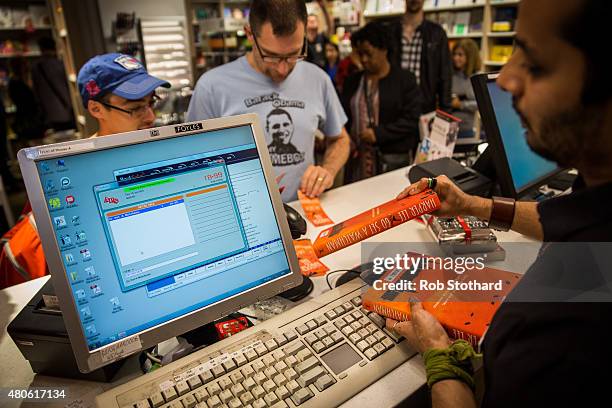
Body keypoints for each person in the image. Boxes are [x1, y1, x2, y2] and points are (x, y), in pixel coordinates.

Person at [389, 0, 612, 406]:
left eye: (537, 63)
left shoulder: (563, 337)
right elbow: (560, 219)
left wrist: (440, 354)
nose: (506, 79)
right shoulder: (597, 194)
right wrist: (474, 205)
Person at [0, 53, 169, 289]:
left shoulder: (166, 152)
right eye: (136, 108)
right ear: (96, 108)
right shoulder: (66, 179)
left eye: (151, 103)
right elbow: (23, 256)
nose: (151, 116)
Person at [187, 0, 350, 202]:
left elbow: (340, 139)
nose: (282, 69)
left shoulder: (318, 79)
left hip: (304, 212)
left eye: (293, 55)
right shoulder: (212, 87)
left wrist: (327, 171)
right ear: (249, 34)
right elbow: (191, 161)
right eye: (271, 56)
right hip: (243, 216)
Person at [341, 22, 421, 182]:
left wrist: (378, 134)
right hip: (357, 161)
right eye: (360, 54)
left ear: (384, 49)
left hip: (390, 160)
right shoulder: (353, 81)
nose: (363, 59)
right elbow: (343, 115)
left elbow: (410, 120)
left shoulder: (405, 80)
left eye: (368, 54)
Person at [387, 0, 452, 113]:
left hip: (424, 107)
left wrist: (446, 114)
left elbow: (445, 76)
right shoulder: (390, 31)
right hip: (393, 106)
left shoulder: (437, 33)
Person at [31, 37, 75, 132]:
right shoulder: (61, 64)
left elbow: (36, 93)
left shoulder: (36, 68)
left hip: (49, 114)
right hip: (67, 109)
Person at [450, 39, 481, 138]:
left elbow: (480, 103)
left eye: (460, 55)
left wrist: (460, 104)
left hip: (465, 130)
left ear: (470, 56)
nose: (455, 58)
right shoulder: (450, 75)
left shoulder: (476, 78)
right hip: (446, 127)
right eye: (454, 54)